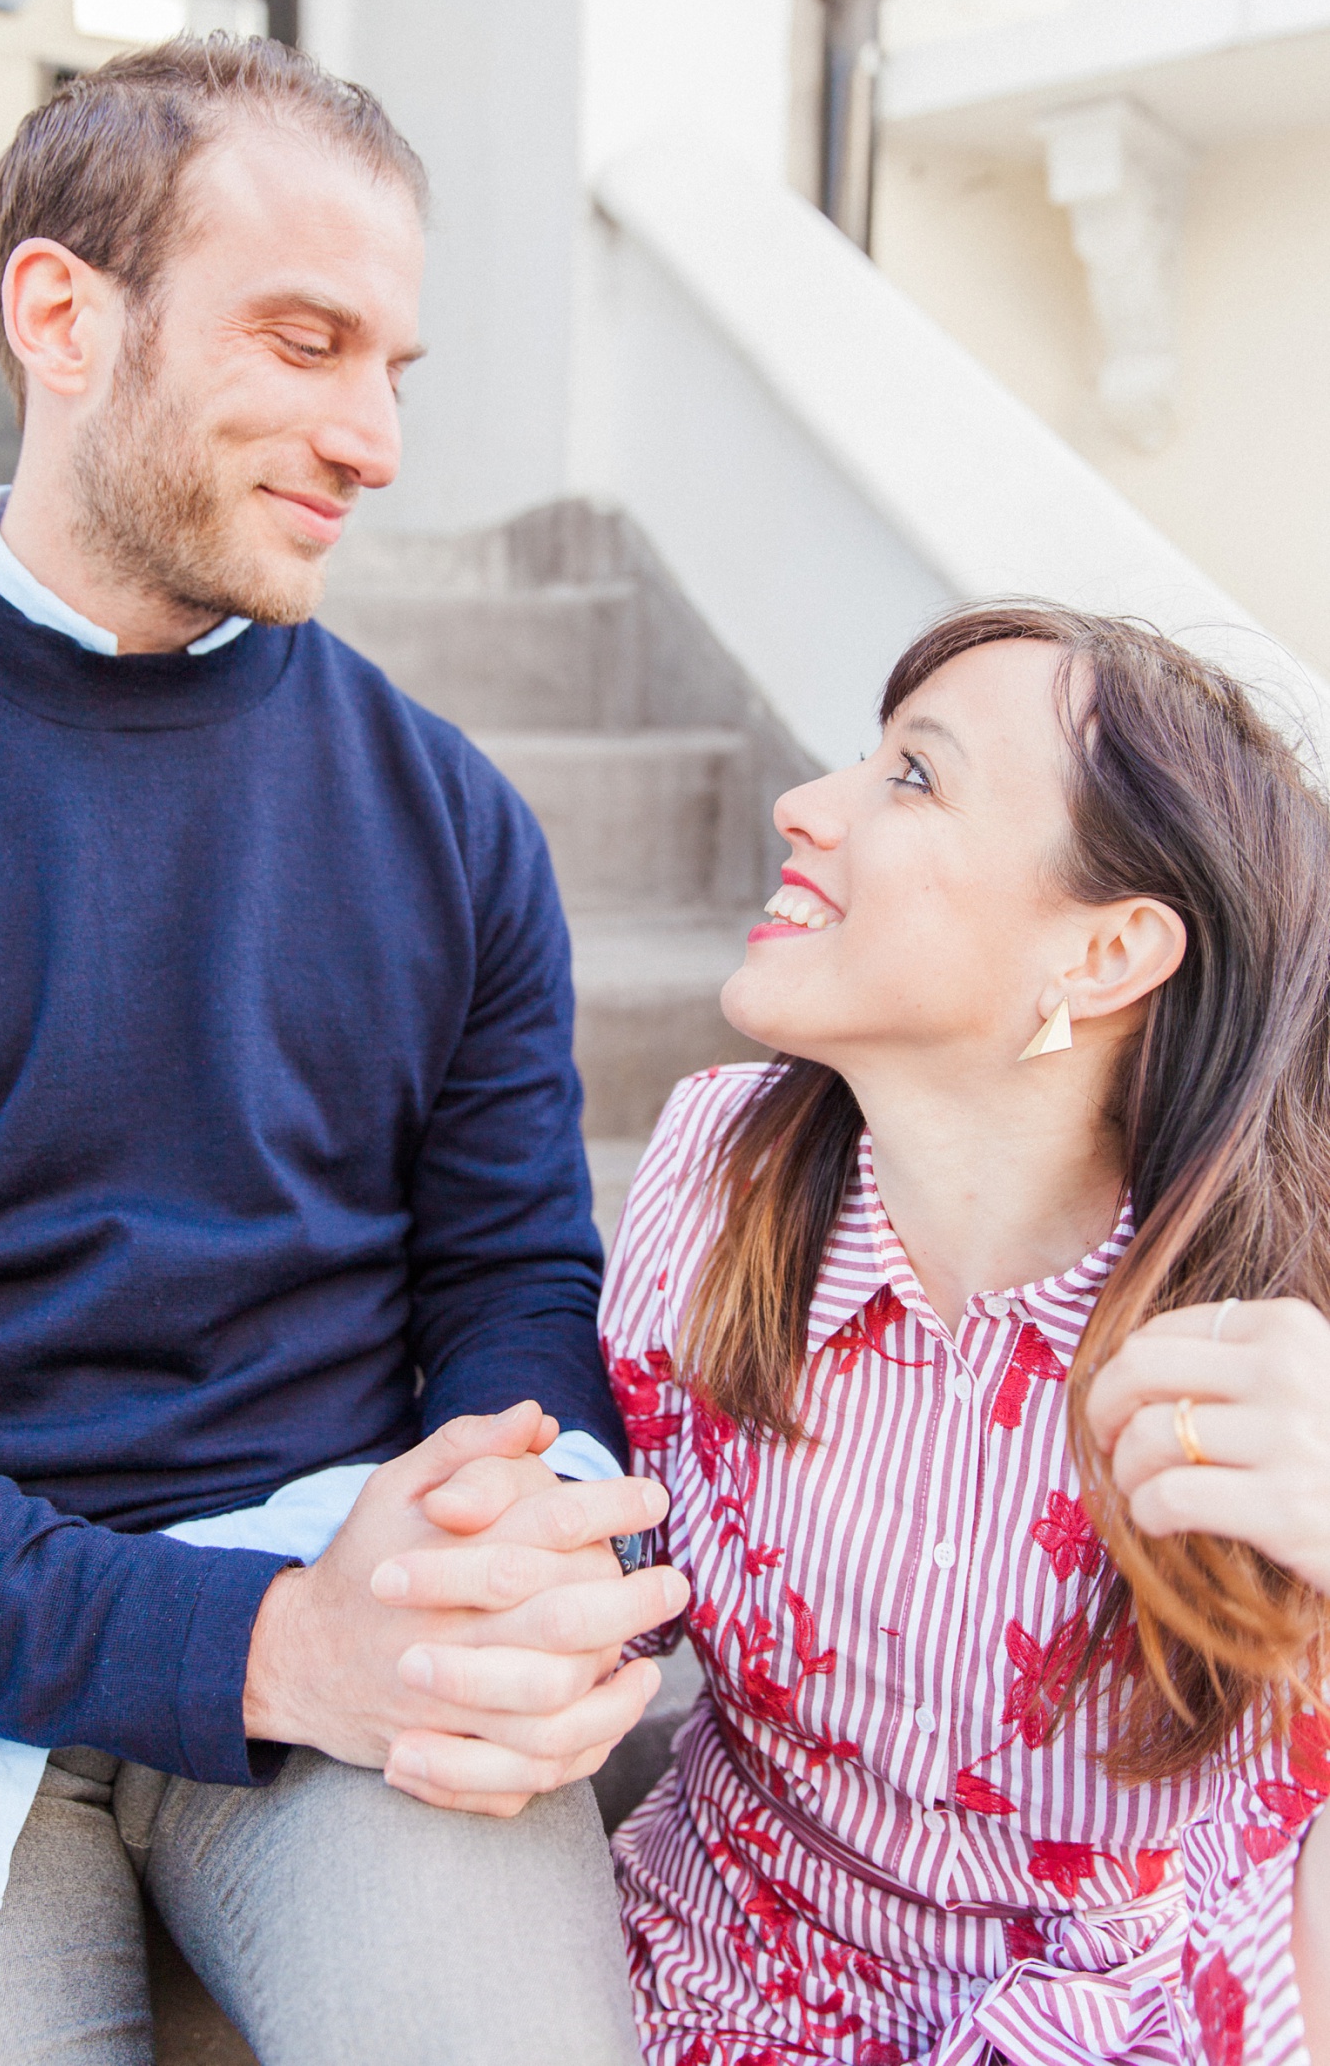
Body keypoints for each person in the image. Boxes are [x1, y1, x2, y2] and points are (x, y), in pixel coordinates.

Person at [0, 36, 688, 2065]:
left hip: (351, 1604)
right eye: (308, 340)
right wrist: (267, 1653)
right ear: (64, 313)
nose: (372, 435)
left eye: (396, 365)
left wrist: (516, 1535)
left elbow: (515, 1281)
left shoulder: (452, 816)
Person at [597, 602, 1330, 2063]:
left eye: (912, 776)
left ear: (1108, 950)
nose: (808, 808)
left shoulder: (1280, 1337)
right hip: (711, 1996)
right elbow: (621, 1573)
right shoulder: (707, 1171)